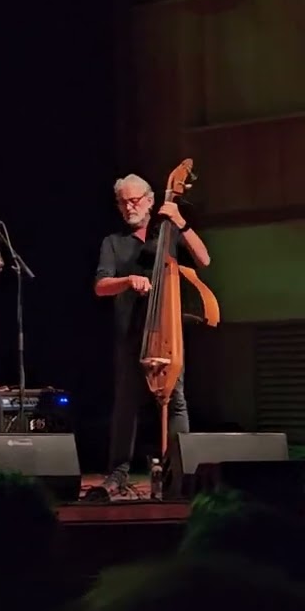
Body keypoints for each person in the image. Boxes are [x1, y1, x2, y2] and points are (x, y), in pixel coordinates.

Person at [95, 173, 210, 495]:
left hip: (168, 332)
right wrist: (128, 281)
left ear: (149, 201)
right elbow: (101, 286)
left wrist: (181, 222)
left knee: (176, 401)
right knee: (126, 405)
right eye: (123, 202)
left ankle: (181, 468)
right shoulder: (113, 243)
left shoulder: (166, 234)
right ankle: (117, 473)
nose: (129, 206)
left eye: (135, 200)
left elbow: (204, 259)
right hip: (131, 333)